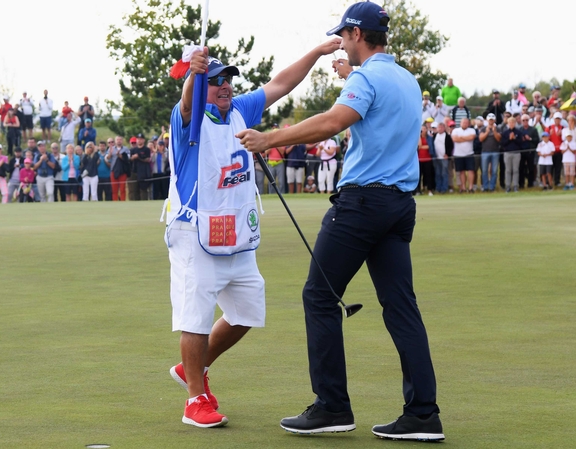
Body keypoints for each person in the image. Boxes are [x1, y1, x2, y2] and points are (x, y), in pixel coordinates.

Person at [237, 3, 443, 440]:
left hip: (362, 205)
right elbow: (371, 106)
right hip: (400, 206)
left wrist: (268, 138)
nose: (343, 43)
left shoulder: (366, 78)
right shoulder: (406, 79)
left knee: (318, 296)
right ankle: (423, 413)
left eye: (345, 35)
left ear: (354, 33)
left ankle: (332, 407)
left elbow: (332, 122)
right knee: (401, 305)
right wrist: (352, 78)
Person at [164, 29, 353, 426]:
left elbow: (281, 84)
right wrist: (192, 77)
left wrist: (317, 50)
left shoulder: (241, 110)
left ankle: (191, 368)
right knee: (195, 319)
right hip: (194, 233)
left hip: (236, 233)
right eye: (216, 82)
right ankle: (196, 399)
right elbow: (185, 104)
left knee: (246, 313)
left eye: (227, 80)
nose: (225, 87)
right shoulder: (190, 118)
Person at [452, 117, 476, 193]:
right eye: (463, 122)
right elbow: (455, 139)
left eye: (466, 122)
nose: (465, 124)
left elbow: (472, 137)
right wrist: (466, 138)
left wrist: (461, 138)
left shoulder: (472, 130)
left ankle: (471, 187)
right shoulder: (456, 130)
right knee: (461, 172)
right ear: (460, 123)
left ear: (468, 123)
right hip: (458, 154)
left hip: (469, 154)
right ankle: (463, 187)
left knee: (471, 171)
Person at [479, 113, 502, 192]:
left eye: (492, 120)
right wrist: (487, 132)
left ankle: (492, 187)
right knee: (484, 170)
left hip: (495, 152)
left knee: (494, 171)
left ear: (494, 120)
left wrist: (494, 131)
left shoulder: (498, 128)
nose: (491, 121)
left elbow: (499, 139)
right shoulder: (483, 128)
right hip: (485, 152)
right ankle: (485, 187)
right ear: (487, 120)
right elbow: (481, 139)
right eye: (489, 120)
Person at [500, 116, 524, 192]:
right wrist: (509, 139)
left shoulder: (519, 132)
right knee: (508, 170)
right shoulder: (505, 133)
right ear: (507, 123)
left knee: (516, 170)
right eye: (510, 122)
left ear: (515, 123)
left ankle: (515, 186)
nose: (511, 124)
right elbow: (503, 144)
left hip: (516, 153)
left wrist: (514, 139)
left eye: (513, 122)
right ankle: (508, 186)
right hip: (507, 153)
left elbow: (521, 143)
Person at [432, 121, 452, 193]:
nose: (440, 129)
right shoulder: (434, 136)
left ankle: (444, 188)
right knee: (437, 173)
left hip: (444, 158)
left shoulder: (447, 136)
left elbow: (450, 147)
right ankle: (438, 188)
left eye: (441, 127)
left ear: (444, 128)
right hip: (436, 158)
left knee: (444, 173)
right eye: (438, 127)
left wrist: (447, 154)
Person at [129, 135, 151, 200]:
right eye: (138, 139)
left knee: (143, 190)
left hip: (143, 172)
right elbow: (129, 160)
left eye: (141, 139)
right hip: (134, 171)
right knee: (134, 190)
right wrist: (132, 158)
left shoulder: (146, 149)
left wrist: (138, 157)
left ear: (144, 140)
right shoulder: (133, 150)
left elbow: (147, 159)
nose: (139, 140)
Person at [110, 136, 130, 201]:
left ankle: (122, 201)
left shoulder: (126, 149)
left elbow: (128, 158)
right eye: (117, 140)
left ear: (122, 141)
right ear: (115, 141)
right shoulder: (111, 149)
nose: (119, 141)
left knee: (122, 189)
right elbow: (107, 159)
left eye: (120, 139)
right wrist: (110, 154)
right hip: (114, 170)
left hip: (123, 171)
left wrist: (120, 156)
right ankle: (115, 202)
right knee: (114, 189)